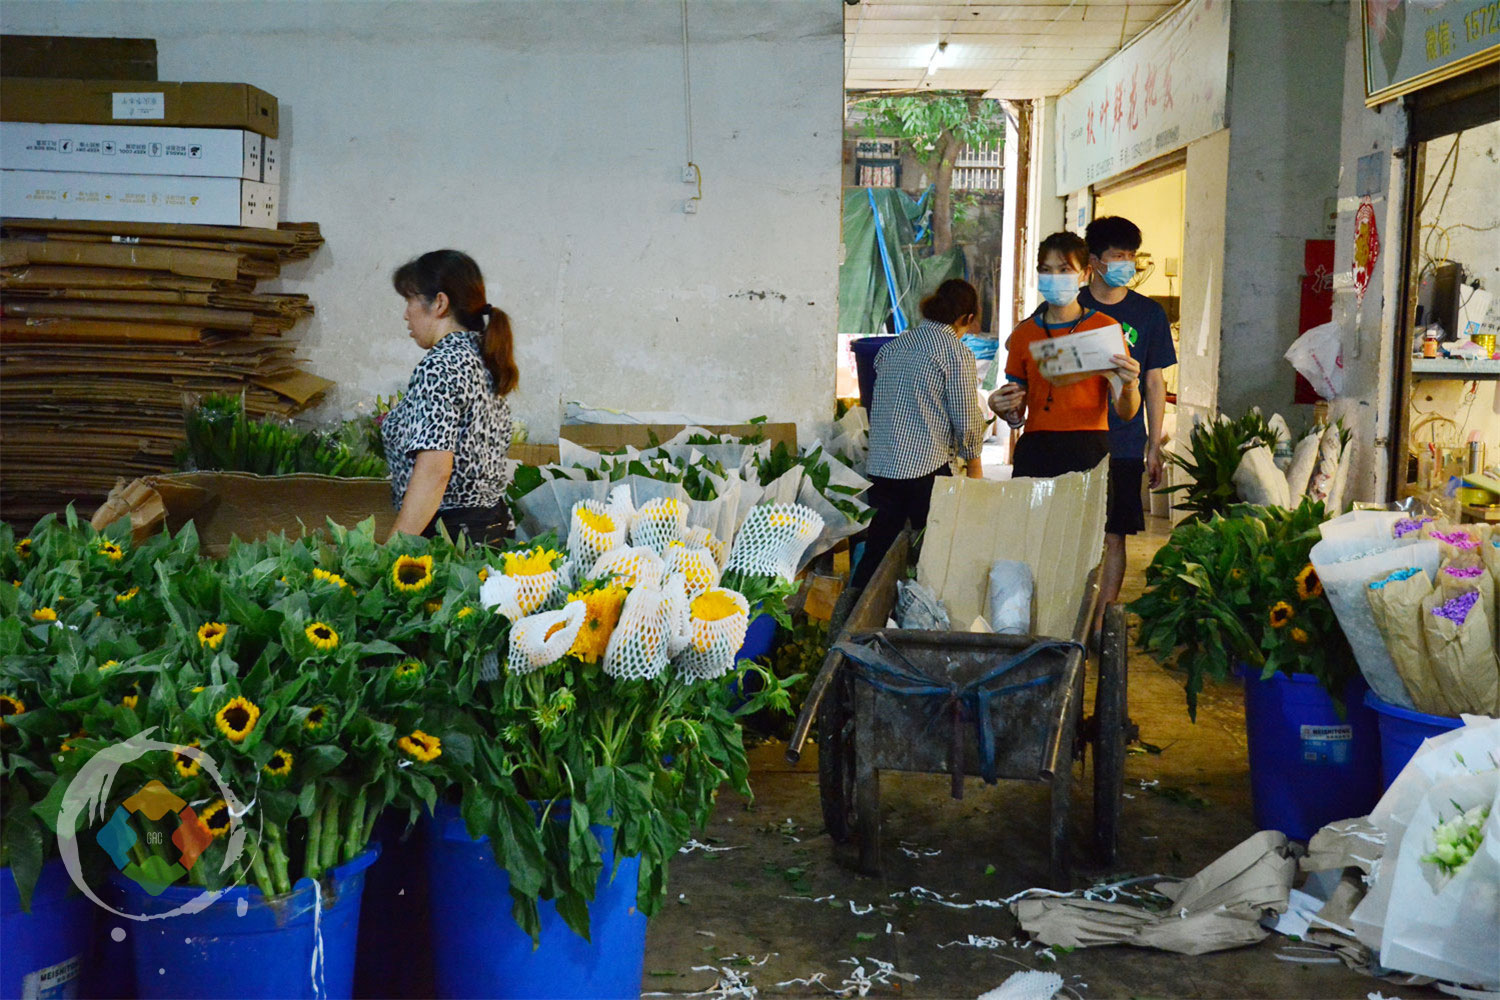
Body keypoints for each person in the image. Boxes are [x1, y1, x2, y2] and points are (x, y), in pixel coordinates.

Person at [849, 278, 988, 590]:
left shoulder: (895, 345)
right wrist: (974, 464)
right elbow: (966, 419)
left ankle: (853, 613)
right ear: (965, 318)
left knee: (879, 547)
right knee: (936, 553)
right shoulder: (955, 352)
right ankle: (926, 616)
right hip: (926, 468)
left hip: (883, 466)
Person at [1079, 216, 1177, 630]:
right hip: (1075, 437)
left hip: (1123, 442)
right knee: (1071, 532)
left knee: (1113, 534)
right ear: (1095, 261)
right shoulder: (1071, 307)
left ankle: (1103, 621)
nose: (1127, 264)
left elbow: (1155, 382)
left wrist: (1153, 445)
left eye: (1131, 257)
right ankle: (1072, 613)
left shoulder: (1148, 314)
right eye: (1118, 256)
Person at [382, 249, 518, 544]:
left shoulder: (441, 365)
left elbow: (434, 473)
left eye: (410, 300)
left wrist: (392, 549)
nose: (406, 314)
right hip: (493, 528)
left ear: (440, 303)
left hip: (451, 540)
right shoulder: (482, 358)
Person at [986, 232, 1140, 478]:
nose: (1054, 278)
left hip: (1089, 447)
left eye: (1065, 270)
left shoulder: (1105, 329)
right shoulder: (1023, 334)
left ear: (1085, 274)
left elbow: (1126, 412)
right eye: (1046, 270)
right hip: (1036, 449)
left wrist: (1131, 384)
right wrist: (1001, 407)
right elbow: (1016, 412)